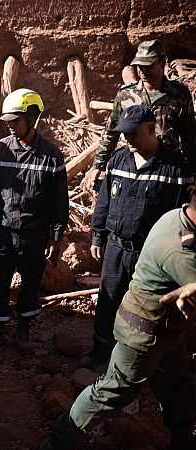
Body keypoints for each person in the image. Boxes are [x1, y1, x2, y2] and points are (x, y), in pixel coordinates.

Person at [44, 194, 196, 450]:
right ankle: (60, 441)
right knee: (110, 392)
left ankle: (182, 439)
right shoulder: (179, 249)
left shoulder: (176, 217)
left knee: (176, 388)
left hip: (166, 332)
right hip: (144, 335)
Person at [78, 105, 193, 369]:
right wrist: (97, 235)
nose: (128, 139)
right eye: (124, 134)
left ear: (152, 130)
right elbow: (104, 201)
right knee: (108, 298)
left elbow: (183, 216)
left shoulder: (175, 168)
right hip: (117, 249)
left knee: (147, 307)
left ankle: (144, 360)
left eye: (133, 133)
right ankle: (101, 349)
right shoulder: (118, 160)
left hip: (151, 254)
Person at [0, 88, 68, 359]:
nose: (10, 127)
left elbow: (58, 200)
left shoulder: (51, 155)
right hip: (2, 232)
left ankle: (24, 332)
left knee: (30, 284)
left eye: (15, 121)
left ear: (32, 117)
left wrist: (56, 235)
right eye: (8, 122)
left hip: (34, 233)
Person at [85, 39, 196, 192]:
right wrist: (99, 165)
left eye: (148, 66)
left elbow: (189, 136)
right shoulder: (126, 95)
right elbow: (111, 132)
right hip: (135, 165)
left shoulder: (180, 94)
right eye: (139, 66)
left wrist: (193, 170)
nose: (142, 71)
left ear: (162, 62)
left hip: (168, 167)